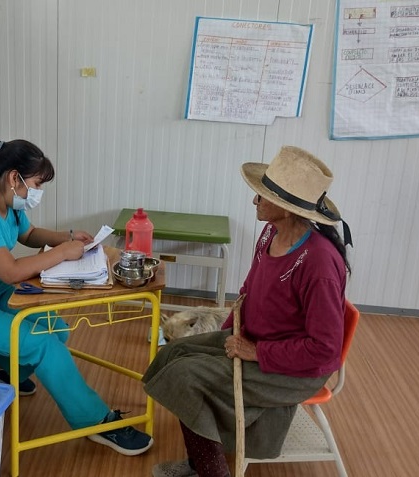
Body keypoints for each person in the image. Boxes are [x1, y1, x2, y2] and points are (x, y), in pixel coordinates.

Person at [0, 139, 153, 456]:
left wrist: (68, 237)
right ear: (14, 177)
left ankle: (0, 368)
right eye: (37, 184)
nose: (38, 191)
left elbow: (27, 234)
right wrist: (62, 252)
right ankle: (97, 422)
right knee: (43, 344)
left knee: (58, 329)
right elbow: (11, 271)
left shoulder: (3, 196)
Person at [144, 146, 353, 477]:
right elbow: (248, 291)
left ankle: (211, 471)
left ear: (287, 209)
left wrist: (255, 352)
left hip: (296, 370)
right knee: (175, 353)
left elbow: (324, 349)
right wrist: (224, 337)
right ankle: (201, 461)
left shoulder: (319, 264)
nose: (255, 200)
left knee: (186, 376)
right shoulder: (271, 232)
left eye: (263, 196)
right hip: (256, 338)